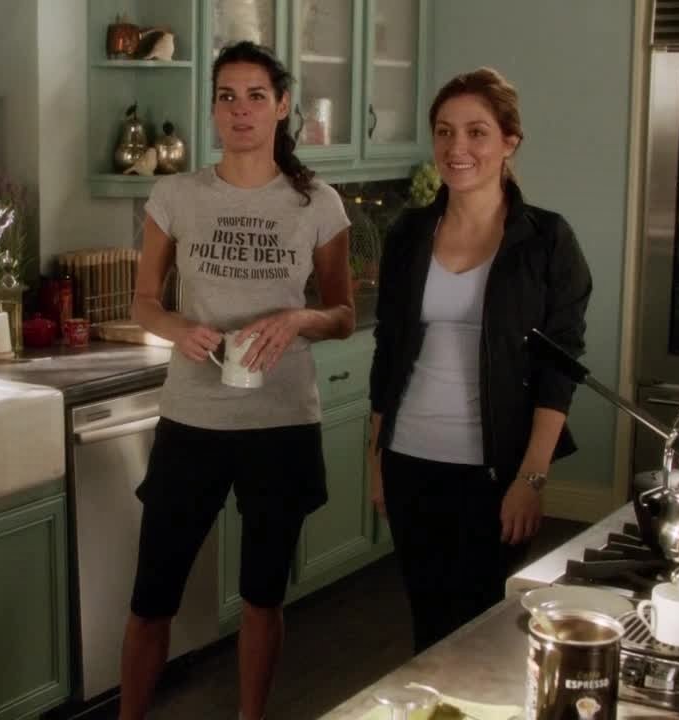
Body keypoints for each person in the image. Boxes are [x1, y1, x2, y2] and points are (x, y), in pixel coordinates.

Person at [119, 41, 355, 720]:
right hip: (191, 421)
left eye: (256, 96)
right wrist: (177, 328)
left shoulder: (318, 203)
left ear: (282, 106)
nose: (240, 110)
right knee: (151, 598)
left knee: (262, 597)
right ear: (214, 108)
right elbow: (143, 302)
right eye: (227, 96)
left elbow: (343, 315)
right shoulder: (176, 195)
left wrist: (298, 318)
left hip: (280, 422)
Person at [367, 67, 592, 654]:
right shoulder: (409, 233)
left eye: (476, 132)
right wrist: (376, 458)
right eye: (444, 131)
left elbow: (560, 369)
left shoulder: (547, 240)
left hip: (496, 471)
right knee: (428, 628)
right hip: (410, 459)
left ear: (509, 141)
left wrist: (532, 477)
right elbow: (388, 351)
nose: (456, 148)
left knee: (484, 630)